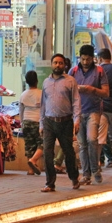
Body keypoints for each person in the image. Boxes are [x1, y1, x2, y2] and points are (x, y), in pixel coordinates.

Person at [39, 54, 81, 192]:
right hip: (49, 122)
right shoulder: (46, 82)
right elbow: (43, 104)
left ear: (65, 65)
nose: (58, 65)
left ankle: (74, 177)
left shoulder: (70, 81)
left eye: (60, 63)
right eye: (55, 62)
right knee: (47, 152)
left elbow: (76, 101)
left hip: (65, 122)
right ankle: (50, 183)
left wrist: (77, 120)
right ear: (52, 64)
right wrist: (41, 123)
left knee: (68, 152)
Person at [69, 45, 109, 185]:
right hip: (78, 112)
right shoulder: (73, 71)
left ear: (93, 58)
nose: (85, 62)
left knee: (92, 140)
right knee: (82, 145)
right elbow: (67, 91)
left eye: (88, 59)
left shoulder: (99, 71)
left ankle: (95, 170)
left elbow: (106, 93)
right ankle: (86, 174)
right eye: (83, 59)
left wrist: (92, 90)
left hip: (94, 110)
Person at [19, 71, 43, 175]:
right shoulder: (41, 93)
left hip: (26, 121)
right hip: (38, 122)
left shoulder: (23, 94)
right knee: (43, 143)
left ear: (27, 81)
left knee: (29, 145)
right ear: (37, 81)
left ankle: (30, 169)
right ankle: (33, 160)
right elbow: (45, 110)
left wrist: (21, 123)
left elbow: (21, 110)